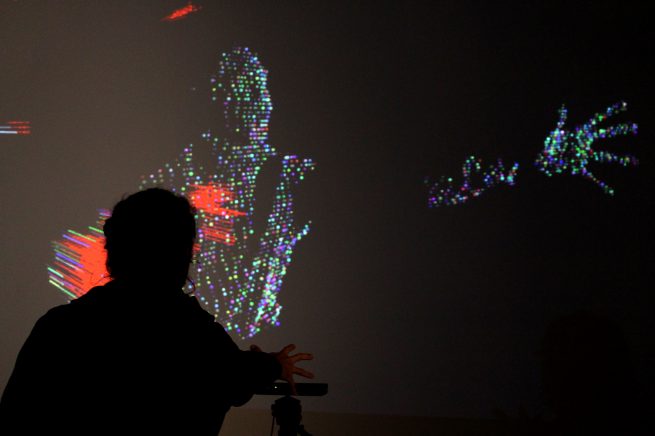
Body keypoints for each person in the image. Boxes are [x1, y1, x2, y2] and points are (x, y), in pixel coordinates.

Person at [0, 188, 313, 435]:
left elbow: (15, 418)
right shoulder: (201, 339)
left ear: (112, 249)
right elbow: (240, 373)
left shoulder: (59, 328)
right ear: (184, 253)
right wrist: (274, 364)